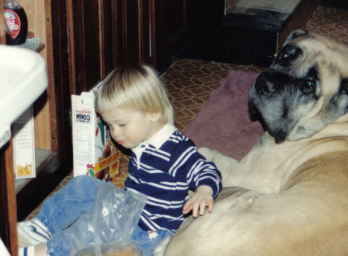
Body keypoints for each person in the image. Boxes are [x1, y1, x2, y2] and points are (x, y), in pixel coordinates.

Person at [18, 64, 222, 256]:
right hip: (130, 207)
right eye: (109, 125)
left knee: (93, 228)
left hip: (150, 232)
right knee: (83, 184)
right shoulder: (144, 136)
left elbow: (206, 169)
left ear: (154, 112)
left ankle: (45, 251)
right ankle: (41, 227)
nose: (115, 133)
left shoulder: (176, 149)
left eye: (121, 124)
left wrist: (204, 190)